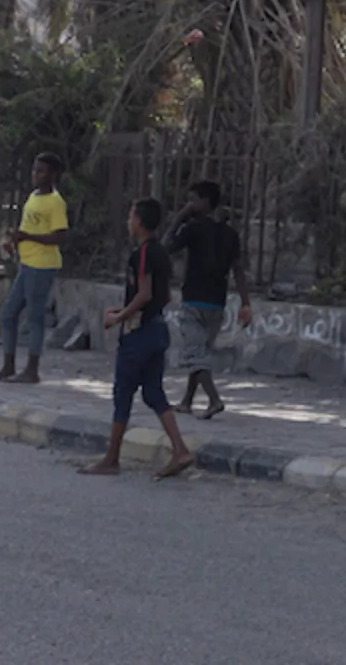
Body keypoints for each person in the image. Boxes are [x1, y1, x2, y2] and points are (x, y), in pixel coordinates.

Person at [80, 197, 193, 479]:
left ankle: (111, 458)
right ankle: (179, 449)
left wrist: (119, 317)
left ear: (140, 222)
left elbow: (144, 294)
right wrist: (125, 309)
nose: (128, 222)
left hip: (139, 333)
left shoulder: (142, 254)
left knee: (123, 393)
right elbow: (160, 296)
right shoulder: (160, 253)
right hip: (157, 329)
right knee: (154, 392)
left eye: (131, 217)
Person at [165, 181, 252, 417]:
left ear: (205, 202)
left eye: (193, 200)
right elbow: (238, 269)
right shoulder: (230, 234)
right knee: (201, 353)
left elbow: (165, 248)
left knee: (195, 354)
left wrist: (177, 220)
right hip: (217, 303)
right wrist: (245, 303)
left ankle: (214, 400)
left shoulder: (193, 228)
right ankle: (187, 401)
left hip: (194, 300)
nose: (189, 205)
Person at [0, 153, 68, 385]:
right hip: (27, 262)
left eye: (41, 171)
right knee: (9, 313)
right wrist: (15, 242)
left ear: (53, 174)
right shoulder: (33, 196)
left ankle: (32, 370)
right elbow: (26, 228)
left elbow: (60, 236)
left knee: (34, 317)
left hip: (42, 265)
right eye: (34, 170)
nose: (36, 174)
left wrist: (29, 236)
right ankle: (8, 366)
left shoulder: (55, 202)